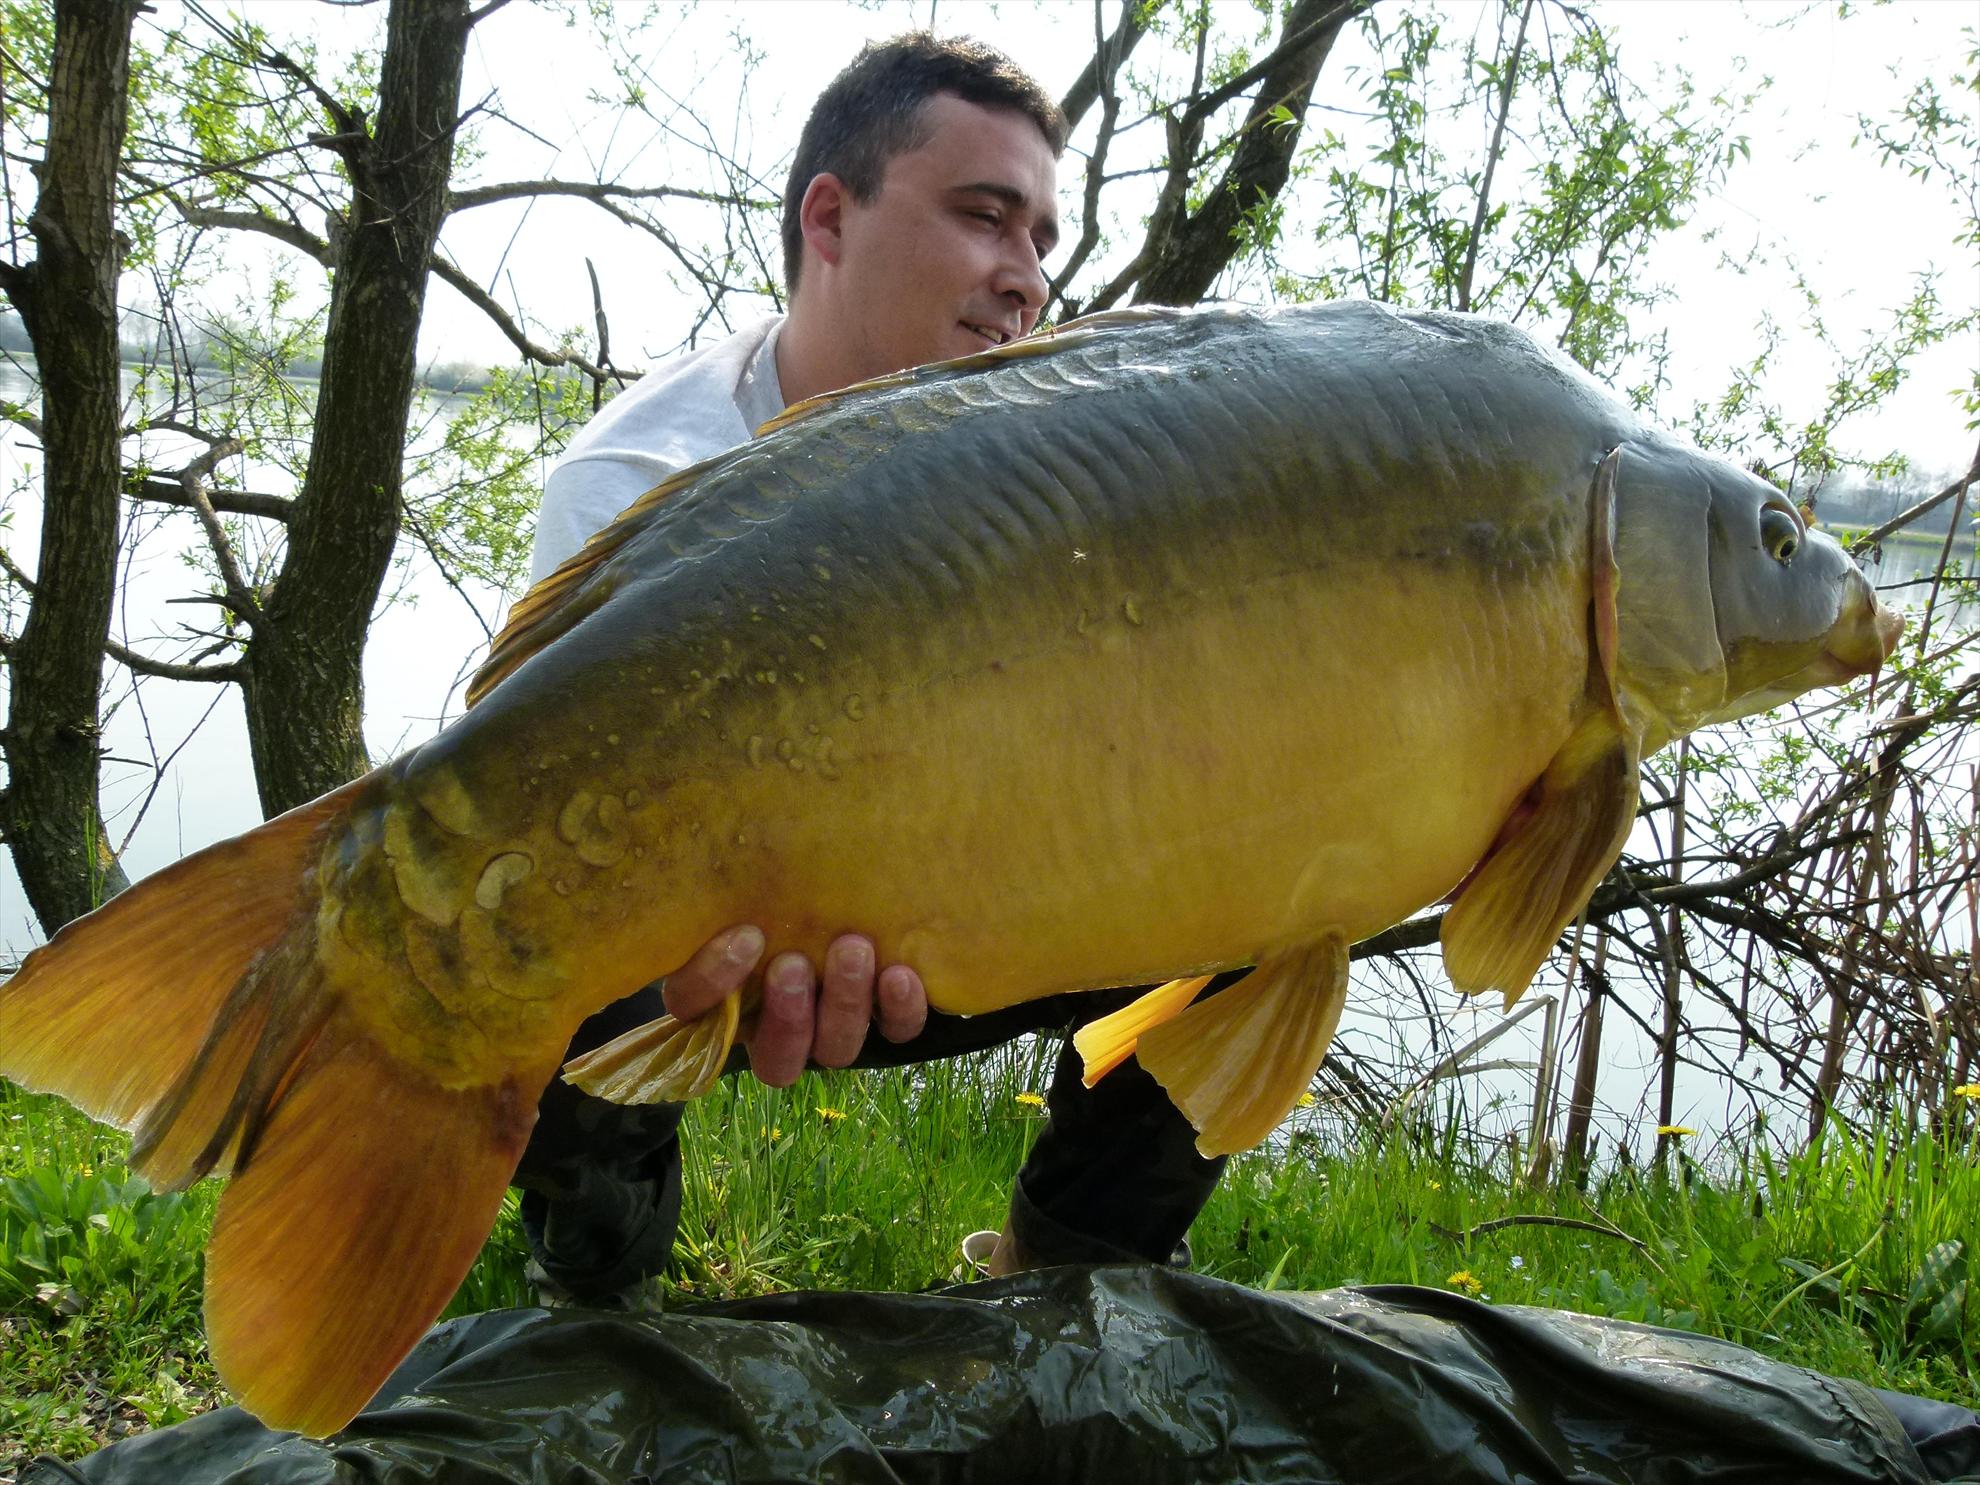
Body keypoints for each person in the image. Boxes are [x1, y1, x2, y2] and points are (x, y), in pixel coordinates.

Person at [511, 33, 1230, 1306]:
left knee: (1262, 892)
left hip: (969, 912)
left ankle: (1081, 1267)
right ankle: (594, 1271)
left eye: (1042, 243)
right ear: (830, 218)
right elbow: (569, 823)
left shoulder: (1069, 466)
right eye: (984, 218)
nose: (1024, 281)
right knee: (548, 943)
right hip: (721, 956)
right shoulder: (640, 486)